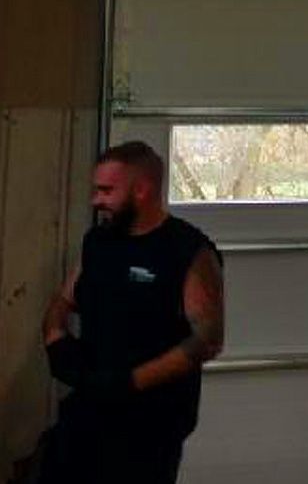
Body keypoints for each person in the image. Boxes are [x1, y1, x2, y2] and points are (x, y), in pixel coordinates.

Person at [37, 141, 224, 483]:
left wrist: (129, 382)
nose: (97, 201)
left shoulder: (188, 251)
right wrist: (55, 338)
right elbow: (65, 298)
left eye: (107, 191)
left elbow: (207, 340)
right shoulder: (99, 242)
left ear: (141, 190)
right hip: (89, 413)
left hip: (150, 426)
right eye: (96, 190)